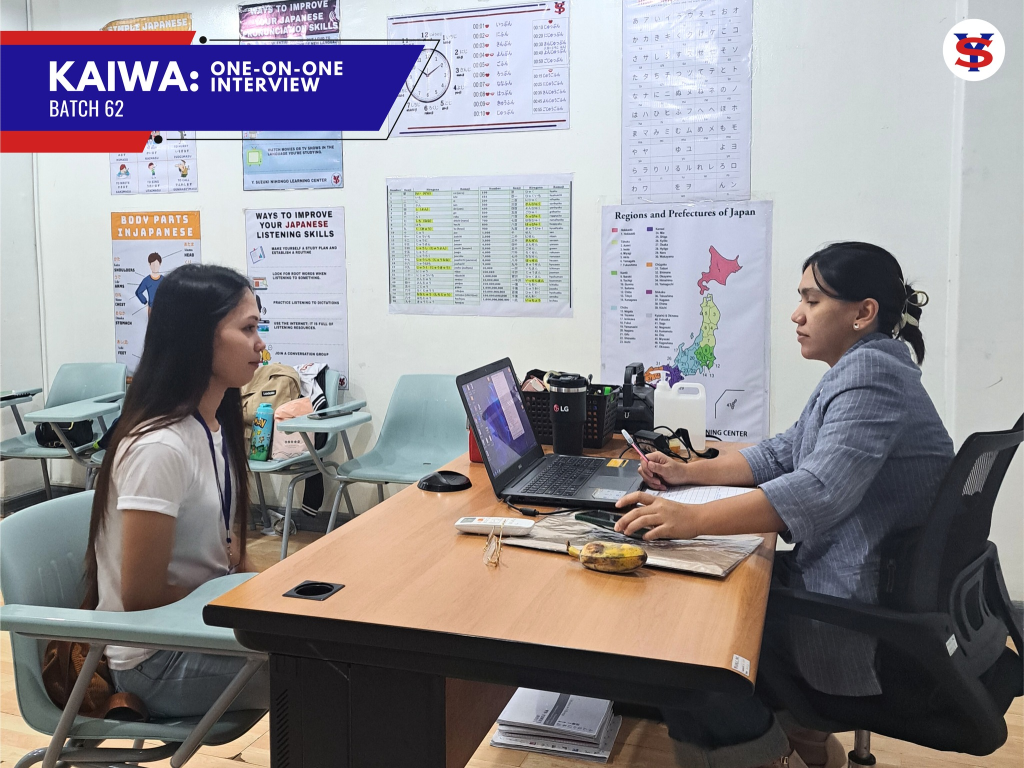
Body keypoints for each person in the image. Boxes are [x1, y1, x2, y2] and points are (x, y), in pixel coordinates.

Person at [613, 242, 954, 768]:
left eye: (812, 301)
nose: (797, 314)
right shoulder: (863, 367)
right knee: (704, 600)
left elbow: (819, 490)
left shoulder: (874, 375)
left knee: (687, 650)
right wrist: (687, 472)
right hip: (858, 585)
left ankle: (772, 752)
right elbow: (784, 452)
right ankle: (805, 741)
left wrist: (691, 518)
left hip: (851, 614)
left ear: (863, 312)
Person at [84, 264, 269, 718]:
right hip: (153, 659)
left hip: (199, 627)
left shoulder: (212, 425)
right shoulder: (160, 447)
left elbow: (228, 555)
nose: (260, 344)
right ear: (199, 337)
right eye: (248, 328)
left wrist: (278, 597)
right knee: (324, 671)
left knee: (332, 646)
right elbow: (141, 597)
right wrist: (231, 601)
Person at [136, 252, 163, 317]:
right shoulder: (147, 280)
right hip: (151, 308)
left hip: (162, 308)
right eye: (153, 264)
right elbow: (138, 292)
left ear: (160, 264)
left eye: (156, 264)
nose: (155, 267)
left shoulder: (163, 279)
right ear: (149, 265)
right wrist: (145, 302)